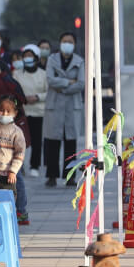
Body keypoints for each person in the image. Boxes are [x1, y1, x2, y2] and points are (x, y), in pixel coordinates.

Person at [43, 32, 85, 188]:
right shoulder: (52, 60)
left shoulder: (80, 61)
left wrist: (63, 88)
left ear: (74, 44)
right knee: (53, 142)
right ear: (60, 43)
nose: (67, 44)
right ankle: (51, 176)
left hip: (71, 107)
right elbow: (50, 80)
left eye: (70, 41)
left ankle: (70, 177)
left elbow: (81, 83)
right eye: (64, 41)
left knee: (70, 144)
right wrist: (68, 82)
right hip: (55, 106)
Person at [12, 45, 47, 178]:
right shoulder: (17, 73)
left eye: (30, 56)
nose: (27, 59)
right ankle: (20, 164)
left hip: (38, 111)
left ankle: (35, 165)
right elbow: (14, 90)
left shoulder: (43, 74)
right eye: (25, 56)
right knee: (20, 140)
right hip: (22, 112)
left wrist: (37, 97)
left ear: (36, 58)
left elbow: (48, 91)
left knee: (37, 140)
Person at [0, 96, 26, 202]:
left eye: (8, 111)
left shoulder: (16, 132)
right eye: (1, 110)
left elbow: (19, 153)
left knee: (7, 201)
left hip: (7, 175)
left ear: (15, 113)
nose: (4, 114)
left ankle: (18, 214)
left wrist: (13, 171)